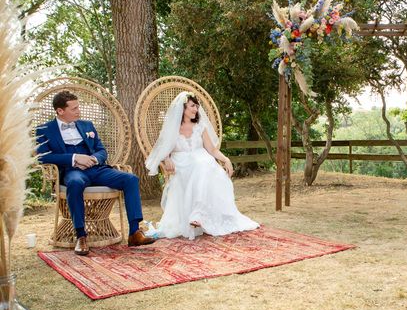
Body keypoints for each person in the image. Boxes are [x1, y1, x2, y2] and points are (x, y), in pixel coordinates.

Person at [36, 90, 155, 255]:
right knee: (75, 183)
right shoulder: (44, 129)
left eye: (79, 107)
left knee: (131, 179)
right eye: (74, 108)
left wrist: (93, 159)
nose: (79, 111)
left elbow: (101, 150)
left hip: (96, 169)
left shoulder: (87, 126)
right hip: (72, 171)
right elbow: (44, 157)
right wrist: (75, 158)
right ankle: (81, 236)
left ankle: (134, 232)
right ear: (60, 111)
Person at [145, 91, 259, 239]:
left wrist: (226, 160)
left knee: (206, 165)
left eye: (196, 106)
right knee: (202, 165)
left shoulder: (200, 126)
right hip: (182, 164)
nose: (195, 109)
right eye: (192, 106)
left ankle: (198, 214)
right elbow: (162, 149)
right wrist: (167, 158)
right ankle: (197, 214)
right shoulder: (172, 129)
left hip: (202, 160)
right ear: (182, 108)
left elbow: (211, 149)